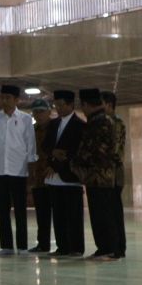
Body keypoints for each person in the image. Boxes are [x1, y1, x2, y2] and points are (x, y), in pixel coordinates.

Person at [0, 84, 36, 255]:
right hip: (0, 170)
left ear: (16, 100)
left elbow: (30, 144)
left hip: (19, 170)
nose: (4, 101)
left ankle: (22, 246)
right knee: (3, 210)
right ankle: (6, 246)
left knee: (20, 210)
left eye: (8, 98)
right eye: (2, 97)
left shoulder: (26, 119)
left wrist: (31, 169)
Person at [71, 88, 122, 260]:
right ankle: (104, 248)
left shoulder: (99, 122)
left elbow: (93, 150)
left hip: (100, 175)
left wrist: (75, 161)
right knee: (100, 213)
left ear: (86, 104)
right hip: (99, 176)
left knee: (104, 214)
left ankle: (110, 249)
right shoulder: (101, 120)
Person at [41, 90, 85, 257]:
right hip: (54, 178)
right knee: (58, 214)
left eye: (61, 105)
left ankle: (76, 247)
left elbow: (75, 152)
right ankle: (62, 246)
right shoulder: (53, 124)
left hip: (70, 176)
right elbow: (46, 146)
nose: (58, 108)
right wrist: (53, 154)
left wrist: (57, 165)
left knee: (73, 214)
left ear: (71, 105)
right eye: (56, 105)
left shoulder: (80, 125)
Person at [103, 91, 128, 259]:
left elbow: (115, 151)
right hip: (107, 175)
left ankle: (118, 248)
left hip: (114, 175)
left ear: (109, 105)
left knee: (115, 213)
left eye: (101, 104)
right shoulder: (106, 123)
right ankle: (112, 246)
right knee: (109, 212)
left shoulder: (116, 124)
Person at [27, 98, 54, 253]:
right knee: (42, 214)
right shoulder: (32, 130)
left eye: (41, 111)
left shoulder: (56, 127)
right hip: (38, 178)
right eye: (36, 112)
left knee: (58, 214)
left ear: (49, 112)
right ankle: (43, 244)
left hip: (54, 176)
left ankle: (65, 243)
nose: (38, 115)